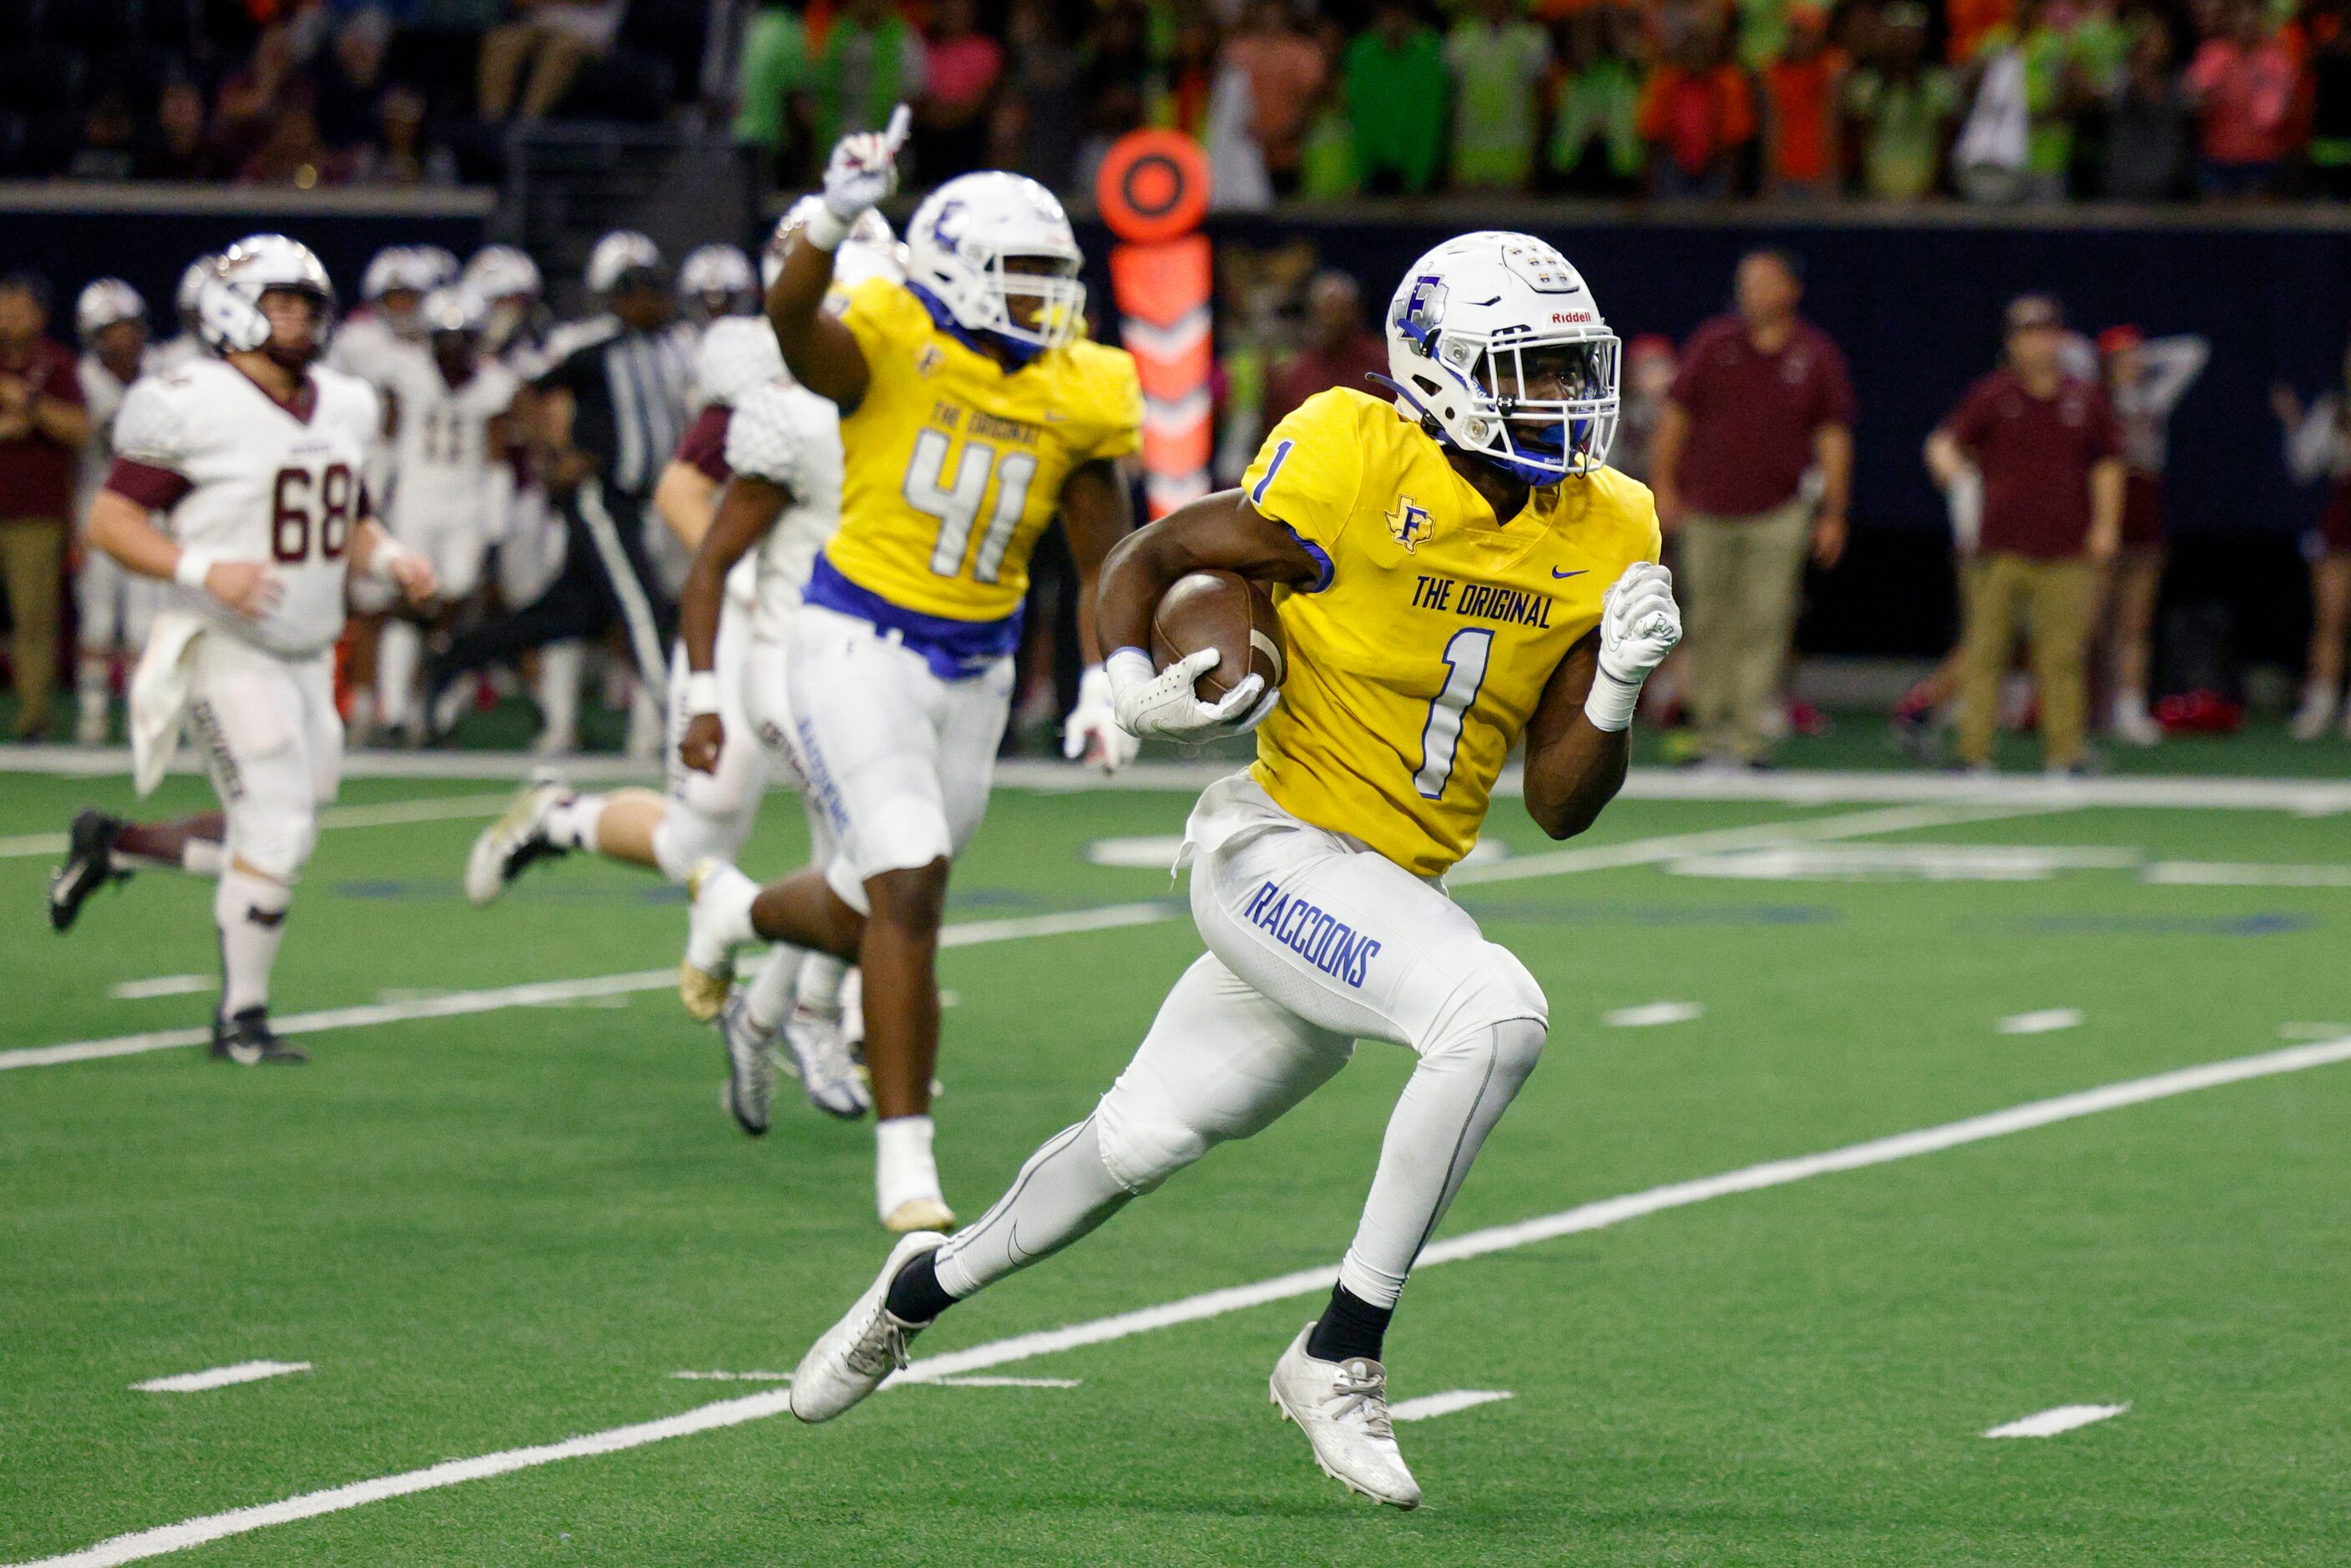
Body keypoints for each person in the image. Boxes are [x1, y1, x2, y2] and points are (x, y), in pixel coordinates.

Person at [783, 230, 1680, 1513]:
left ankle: (912, 1288)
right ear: (1440, 370)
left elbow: (1559, 805)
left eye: (1567, 369)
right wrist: (1125, 686)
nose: (1561, 401)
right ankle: (1340, 1351)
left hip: (1388, 894)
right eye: (1528, 370)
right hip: (1270, 850)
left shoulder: (1614, 521)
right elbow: (1153, 559)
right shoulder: (1353, 452)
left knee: (1131, 1144)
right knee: (1495, 1014)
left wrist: (1621, 685)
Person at [678, 111, 1142, 1232]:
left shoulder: (1079, 385)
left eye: (1056, 278)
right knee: (909, 874)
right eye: (1024, 278)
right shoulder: (885, 329)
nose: (1047, 301)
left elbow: (1103, 557)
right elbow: (794, 324)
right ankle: (906, 1168)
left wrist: (1102, 678)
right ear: (960, 273)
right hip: (854, 639)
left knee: (879, 900)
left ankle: (737, 909)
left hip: (975, 669)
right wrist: (836, 215)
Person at [466, 203, 902, 1123]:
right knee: (701, 840)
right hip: (760, 624)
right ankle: (559, 818)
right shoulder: (759, 361)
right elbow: (679, 484)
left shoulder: (906, 365)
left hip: (843, 625)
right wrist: (738, 570)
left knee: (858, 821)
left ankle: (817, 1015)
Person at [44, 235, 436, 1060]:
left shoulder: (342, 402)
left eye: (307, 306)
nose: (298, 321)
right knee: (273, 831)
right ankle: (241, 1020)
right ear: (234, 312)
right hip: (221, 643)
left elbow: (344, 514)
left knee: (285, 826)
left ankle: (113, 844)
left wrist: (391, 557)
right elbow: (109, 521)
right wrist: (201, 568)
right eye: (280, 305)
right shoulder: (190, 400)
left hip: (307, 649)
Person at [425, 230, 695, 755]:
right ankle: (676, 720)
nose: (657, 299)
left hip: (647, 503)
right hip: (603, 498)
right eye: (645, 289)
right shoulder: (589, 344)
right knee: (643, 608)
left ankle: (457, 657)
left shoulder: (672, 345)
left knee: (563, 618)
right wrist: (553, 456)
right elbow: (525, 391)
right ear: (618, 294)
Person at [1651, 250, 1854, 766]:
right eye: (1747, 282)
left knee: (1766, 619)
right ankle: (1708, 727)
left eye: (1766, 282)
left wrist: (1833, 512)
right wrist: (1664, 489)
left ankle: (1748, 733)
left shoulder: (1814, 354)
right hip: (1706, 507)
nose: (1753, 292)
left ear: (1792, 289)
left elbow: (1833, 437)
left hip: (1780, 510)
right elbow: (1674, 420)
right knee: (1707, 617)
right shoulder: (1714, 344)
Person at [1925, 294, 2123, 774]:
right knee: (1985, 650)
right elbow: (1945, 443)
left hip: (2065, 547)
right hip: (2000, 548)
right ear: (2011, 343)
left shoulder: (2084, 400)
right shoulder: (1993, 396)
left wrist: (2106, 524)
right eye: (2025, 335)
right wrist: (1952, 472)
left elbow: (2107, 466)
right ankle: (1973, 751)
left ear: (2059, 339)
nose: (2035, 345)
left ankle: (2066, 752)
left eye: (2044, 333)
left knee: (2062, 654)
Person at [366, 287, 523, 744]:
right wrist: (377, 497)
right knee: (410, 597)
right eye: (445, 340)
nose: (452, 351)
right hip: (416, 498)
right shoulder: (406, 372)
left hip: (466, 505)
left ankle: (439, 706)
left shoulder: (495, 383)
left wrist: (496, 525)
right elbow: (388, 440)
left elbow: (496, 459)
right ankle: (394, 712)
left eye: (462, 340)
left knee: (456, 599)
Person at [2097, 325, 2206, 744]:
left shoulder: (2151, 399)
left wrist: (2141, 354)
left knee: (2135, 622)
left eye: (2135, 356)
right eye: (2121, 358)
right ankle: (2092, 706)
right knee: (2092, 620)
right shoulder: (2094, 401)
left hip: (2145, 511)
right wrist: (2106, 358)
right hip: (2107, 511)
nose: (2132, 364)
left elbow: (2192, 350)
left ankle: (2129, 708)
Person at [0, 272, 92, 742]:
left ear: (41, 315)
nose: (10, 315)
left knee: (33, 619)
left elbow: (79, 430)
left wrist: (29, 406)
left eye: (20, 307)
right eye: (4, 305)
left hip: (33, 511)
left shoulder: (55, 365)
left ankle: (33, 714)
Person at [71, 279, 160, 745]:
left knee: (146, 624)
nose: (124, 339)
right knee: (99, 621)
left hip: (149, 510)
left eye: (129, 328)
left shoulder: (163, 372)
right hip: (97, 507)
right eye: (112, 330)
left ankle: (141, 717)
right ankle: (92, 714)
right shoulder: (80, 377)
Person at [2274, 349, 2351, 739]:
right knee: (2330, 618)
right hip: (2341, 521)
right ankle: (2321, 702)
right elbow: (2305, 466)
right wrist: (2294, 424)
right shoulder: (2333, 408)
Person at [1262, 271, 1388, 431]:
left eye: (1338, 310)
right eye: (1324, 310)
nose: (1330, 320)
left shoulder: (1383, 366)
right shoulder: (1292, 375)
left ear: (1356, 312)